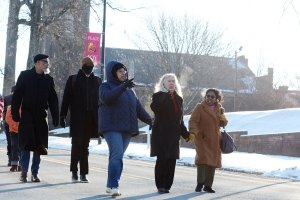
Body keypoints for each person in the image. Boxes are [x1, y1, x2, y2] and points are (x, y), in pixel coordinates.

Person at [98, 61, 152, 197]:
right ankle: (115, 185)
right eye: (120, 71)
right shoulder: (105, 86)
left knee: (118, 156)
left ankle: (110, 185)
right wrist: (123, 87)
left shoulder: (130, 90)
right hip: (111, 127)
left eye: (125, 71)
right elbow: (107, 99)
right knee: (116, 154)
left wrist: (150, 120)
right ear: (113, 73)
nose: (124, 73)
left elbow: (138, 108)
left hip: (127, 128)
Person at [11, 54, 59, 183]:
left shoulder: (49, 80)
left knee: (39, 146)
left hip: (41, 118)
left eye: (47, 62)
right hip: (26, 117)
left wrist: (56, 116)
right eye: (45, 62)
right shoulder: (25, 76)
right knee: (26, 146)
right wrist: (15, 113)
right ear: (37, 63)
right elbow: (17, 96)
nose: (47, 64)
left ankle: (35, 173)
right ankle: (24, 172)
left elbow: (53, 100)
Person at [150, 73, 194, 194]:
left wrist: (186, 134)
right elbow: (155, 108)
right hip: (161, 134)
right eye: (168, 81)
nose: (171, 83)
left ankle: (167, 186)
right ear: (163, 83)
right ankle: (160, 185)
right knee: (162, 160)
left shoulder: (179, 99)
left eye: (173, 81)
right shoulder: (158, 96)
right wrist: (166, 95)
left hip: (173, 136)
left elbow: (179, 120)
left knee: (171, 161)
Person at [60, 56, 101, 183]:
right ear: (82, 66)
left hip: (91, 119)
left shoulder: (97, 81)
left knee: (85, 146)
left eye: (91, 66)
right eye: (86, 65)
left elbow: (102, 101)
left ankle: (83, 173)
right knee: (76, 145)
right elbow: (66, 98)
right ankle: (74, 172)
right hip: (77, 118)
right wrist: (62, 116)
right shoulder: (74, 79)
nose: (88, 68)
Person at [188, 88, 228, 193]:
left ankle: (208, 186)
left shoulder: (219, 108)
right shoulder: (200, 107)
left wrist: (223, 118)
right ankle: (200, 183)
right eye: (207, 96)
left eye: (212, 97)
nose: (209, 98)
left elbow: (223, 123)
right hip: (202, 138)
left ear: (217, 99)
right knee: (202, 161)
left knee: (212, 162)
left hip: (215, 140)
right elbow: (193, 121)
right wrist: (195, 132)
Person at [5, 104, 21, 172]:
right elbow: (8, 119)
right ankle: (14, 165)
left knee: (21, 148)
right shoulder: (10, 107)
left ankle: (21, 165)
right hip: (13, 131)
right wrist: (16, 126)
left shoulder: (25, 106)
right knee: (14, 146)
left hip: (22, 131)